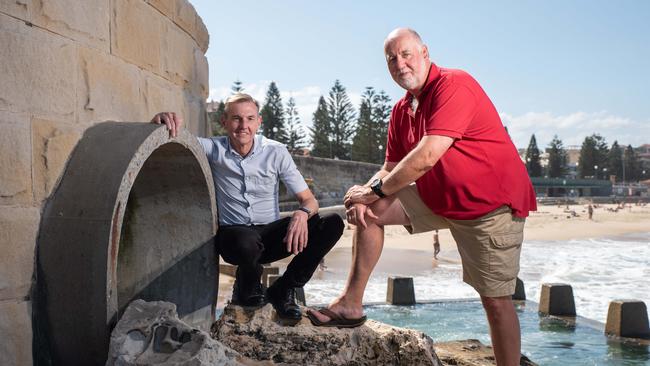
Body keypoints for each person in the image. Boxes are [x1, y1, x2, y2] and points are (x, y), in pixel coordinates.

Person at [307, 28, 536, 365]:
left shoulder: (454, 85)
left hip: (490, 206)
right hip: (440, 196)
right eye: (392, 59)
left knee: (496, 302)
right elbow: (388, 168)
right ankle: (350, 303)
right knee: (372, 210)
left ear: (425, 53)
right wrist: (362, 198)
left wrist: (372, 191)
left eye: (406, 54)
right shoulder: (401, 111)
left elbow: (427, 156)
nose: (400, 64)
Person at [152, 93, 344, 323]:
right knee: (245, 239)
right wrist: (162, 120)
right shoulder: (213, 149)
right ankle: (248, 283)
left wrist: (302, 215)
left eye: (250, 119)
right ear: (223, 122)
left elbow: (310, 200)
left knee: (332, 223)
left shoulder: (276, 151)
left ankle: (284, 288)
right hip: (235, 239)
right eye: (236, 119)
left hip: (272, 237)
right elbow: (176, 138)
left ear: (258, 122)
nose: (243, 126)